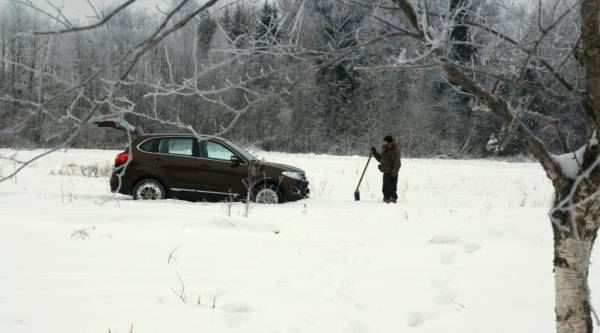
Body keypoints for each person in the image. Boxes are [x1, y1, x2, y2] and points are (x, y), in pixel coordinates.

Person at [371, 135, 402, 203]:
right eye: (384, 141)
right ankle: (386, 198)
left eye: (385, 142)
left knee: (392, 187)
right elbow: (381, 160)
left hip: (392, 172)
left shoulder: (395, 150)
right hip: (386, 171)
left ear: (389, 142)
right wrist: (375, 153)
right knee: (385, 187)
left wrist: (394, 172)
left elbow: (397, 163)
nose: (384, 143)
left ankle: (393, 198)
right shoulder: (385, 149)